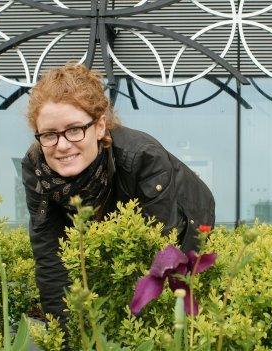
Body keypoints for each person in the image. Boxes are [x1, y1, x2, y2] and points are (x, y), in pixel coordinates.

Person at [21, 63, 215, 324]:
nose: (62, 145)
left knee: (168, 291)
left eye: (75, 129)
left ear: (100, 126)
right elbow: (49, 256)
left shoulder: (144, 159)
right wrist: (67, 335)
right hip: (107, 216)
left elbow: (153, 253)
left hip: (187, 216)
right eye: (49, 134)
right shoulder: (36, 166)